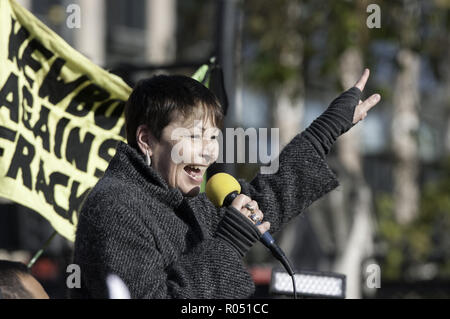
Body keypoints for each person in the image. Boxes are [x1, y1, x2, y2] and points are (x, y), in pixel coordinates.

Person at [71, 70, 380, 298]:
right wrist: (228, 243)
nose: (208, 151)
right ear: (146, 139)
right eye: (193, 136)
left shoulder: (183, 200)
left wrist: (324, 130)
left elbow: (265, 199)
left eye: (213, 137)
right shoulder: (115, 208)